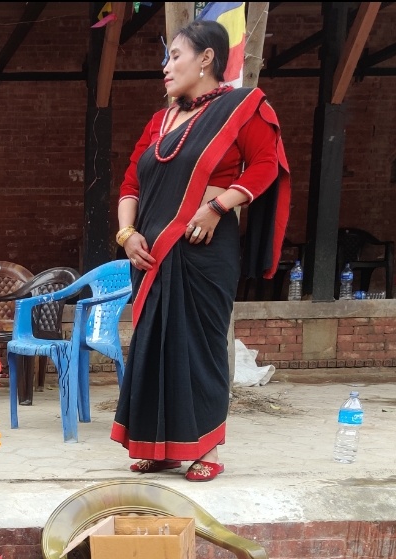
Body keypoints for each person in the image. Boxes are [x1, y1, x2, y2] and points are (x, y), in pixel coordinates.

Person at [111, 20, 290, 482]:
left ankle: (206, 447)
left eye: (175, 56)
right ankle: (160, 446)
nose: (166, 68)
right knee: (154, 348)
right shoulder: (160, 120)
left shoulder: (241, 107)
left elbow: (266, 165)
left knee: (201, 347)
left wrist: (217, 206)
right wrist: (127, 235)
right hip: (150, 255)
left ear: (206, 58)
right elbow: (131, 183)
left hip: (203, 249)